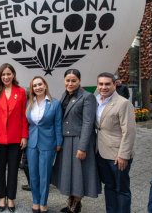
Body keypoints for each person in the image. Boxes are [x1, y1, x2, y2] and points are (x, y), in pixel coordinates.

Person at [52, 69, 101, 213]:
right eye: (68, 80)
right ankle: (72, 202)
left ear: (79, 81)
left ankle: (76, 203)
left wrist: (83, 147)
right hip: (67, 141)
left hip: (80, 140)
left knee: (80, 173)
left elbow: (88, 123)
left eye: (74, 80)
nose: (70, 83)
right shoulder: (64, 95)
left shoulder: (87, 97)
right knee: (69, 174)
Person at [0, 63, 28, 213]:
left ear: (13, 75)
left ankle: (11, 198)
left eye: (8, 74)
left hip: (16, 138)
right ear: (0, 76)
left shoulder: (21, 92)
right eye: (3, 74)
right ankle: (1, 197)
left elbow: (24, 115)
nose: (6, 77)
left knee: (13, 170)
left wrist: (24, 135)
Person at [96, 72, 136, 213]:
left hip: (118, 155)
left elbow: (129, 132)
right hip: (102, 153)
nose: (104, 87)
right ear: (97, 85)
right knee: (109, 187)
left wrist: (123, 155)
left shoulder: (123, 103)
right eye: (101, 84)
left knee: (122, 189)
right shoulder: (96, 101)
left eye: (107, 84)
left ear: (114, 84)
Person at [26, 76, 63, 213]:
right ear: (32, 89)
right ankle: (35, 201)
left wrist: (59, 142)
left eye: (40, 84)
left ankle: (43, 202)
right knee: (33, 174)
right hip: (32, 143)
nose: (38, 87)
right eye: (35, 86)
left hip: (48, 143)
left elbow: (58, 124)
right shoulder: (29, 103)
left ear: (45, 85)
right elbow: (26, 124)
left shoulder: (55, 104)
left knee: (45, 174)